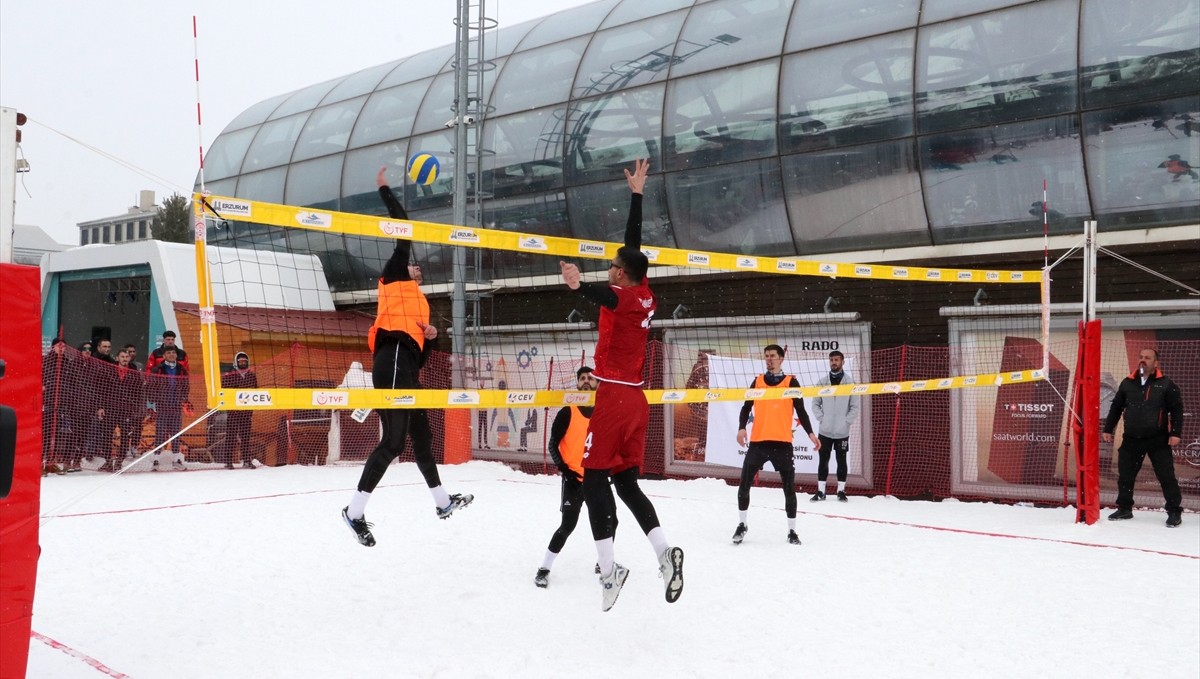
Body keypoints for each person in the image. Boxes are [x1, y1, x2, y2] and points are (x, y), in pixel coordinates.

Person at [559, 158, 684, 612]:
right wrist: (637, 195)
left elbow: (603, 293)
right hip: (638, 399)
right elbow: (632, 247)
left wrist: (576, 286)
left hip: (613, 395)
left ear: (618, 274)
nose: (610, 267)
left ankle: (609, 572)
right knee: (627, 483)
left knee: (593, 477)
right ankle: (664, 554)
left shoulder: (622, 295)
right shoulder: (643, 288)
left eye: (611, 266)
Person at [341, 166, 473, 547]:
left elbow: (422, 358)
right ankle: (354, 512)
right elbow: (404, 228)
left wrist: (430, 337)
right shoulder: (394, 278)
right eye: (414, 263)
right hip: (391, 358)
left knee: (423, 439)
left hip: (406, 365)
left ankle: (442, 502)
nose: (417, 266)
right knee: (394, 443)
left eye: (418, 267)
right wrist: (385, 190)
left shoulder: (423, 305)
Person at [732, 344, 819, 546]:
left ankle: (792, 531)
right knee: (744, 485)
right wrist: (741, 428)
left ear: (781, 359)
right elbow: (746, 408)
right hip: (758, 442)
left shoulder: (791, 382)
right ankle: (742, 525)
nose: (769, 359)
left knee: (789, 489)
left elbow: (802, 411)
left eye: (772, 356)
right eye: (766, 356)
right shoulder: (758, 381)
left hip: (782, 444)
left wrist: (811, 434)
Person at [535, 366, 607, 588]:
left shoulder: (603, 411)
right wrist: (565, 471)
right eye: (582, 378)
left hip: (596, 479)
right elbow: (552, 444)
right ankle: (544, 569)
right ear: (577, 384)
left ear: (597, 384)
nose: (587, 381)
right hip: (573, 480)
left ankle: (604, 563)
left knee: (610, 522)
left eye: (591, 378)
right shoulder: (568, 411)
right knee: (567, 526)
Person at [1102, 348, 1184, 527]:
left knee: (1166, 476)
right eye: (1140, 357)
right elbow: (1116, 407)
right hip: (1131, 439)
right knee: (1125, 476)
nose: (1142, 360)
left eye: (1147, 358)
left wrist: (1175, 433)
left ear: (1156, 363)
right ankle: (1124, 509)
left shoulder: (1166, 384)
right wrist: (1108, 429)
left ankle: (1174, 511)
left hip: (1158, 439)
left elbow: (1177, 409)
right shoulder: (1127, 383)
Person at [812, 350, 861, 503]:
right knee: (823, 460)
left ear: (843, 362)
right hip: (825, 431)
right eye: (832, 360)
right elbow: (815, 403)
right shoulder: (822, 382)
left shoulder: (850, 383)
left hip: (842, 431)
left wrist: (846, 422)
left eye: (837, 360)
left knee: (841, 460)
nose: (834, 362)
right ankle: (821, 492)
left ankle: (841, 491)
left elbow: (854, 407)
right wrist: (822, 419)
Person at [148, 346, 191, 471]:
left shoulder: (182, 370)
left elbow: (186, 386)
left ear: (176, 355)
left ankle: (176, 460)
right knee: (160, 434)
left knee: (176, 434)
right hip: (162, 406)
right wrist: (153, 400)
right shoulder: (158, 369)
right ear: (164, 355)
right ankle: (156, 460)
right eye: (168, 352)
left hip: (176, 406)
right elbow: (151, 386)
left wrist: (183, 399)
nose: (171, 354)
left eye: (173, 352)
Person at [220, 351, 259, 469]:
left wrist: (251, 410)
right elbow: (225, 393)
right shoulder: (229, 376)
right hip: (233, 412)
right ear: (236, 362)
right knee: (231, 437)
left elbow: (255, 393)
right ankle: (228, 461)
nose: (242, 363)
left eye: (244, 361)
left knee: (245, 437)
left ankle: (246, 460)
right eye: (240, 361)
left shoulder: (252, 376)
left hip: (246, 412)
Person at [41, 338, 73, 475]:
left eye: (64, 346)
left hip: (62, 403)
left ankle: (52, 461)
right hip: (48, 403)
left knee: (59, 434)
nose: (61, 349)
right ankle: (41, 462)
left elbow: (71, 382)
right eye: (59, 346)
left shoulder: (67, 363)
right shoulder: (46, 361)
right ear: (53, 347)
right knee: (46, 434)